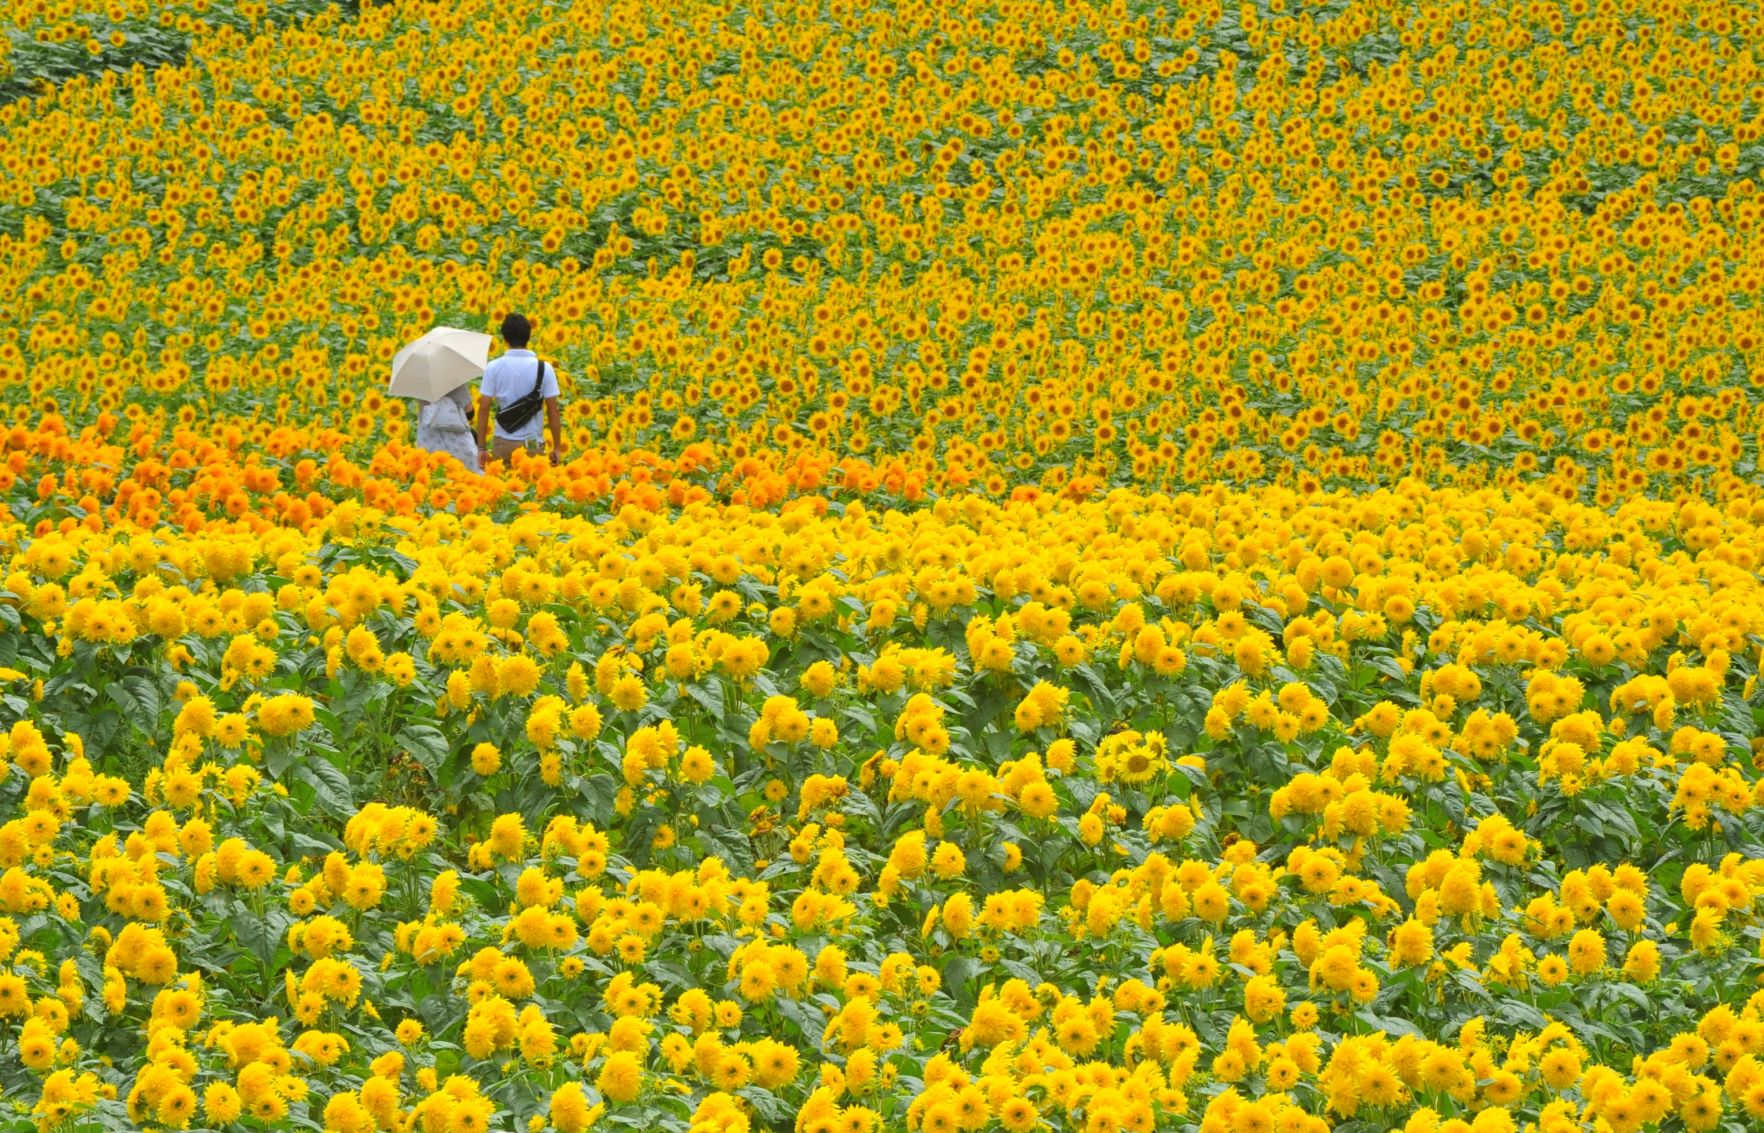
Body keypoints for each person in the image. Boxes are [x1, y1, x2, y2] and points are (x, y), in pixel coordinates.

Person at [475, 312, 562, 466]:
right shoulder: (544, 368)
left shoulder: (494, 367)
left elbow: (483, 408)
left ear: (505, 338)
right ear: (528, 336)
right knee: (532, 485)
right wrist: (557, 447)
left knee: (502, 487)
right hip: (532, 442)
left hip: (503, 441)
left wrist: (481, 447)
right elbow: (553, 410)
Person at [413, 383, 482, 473]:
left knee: (432, 479)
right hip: (456, 445)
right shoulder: (452, 378)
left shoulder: (421, 380)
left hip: (427, 441)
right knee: (468, 477)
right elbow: (469, 412)